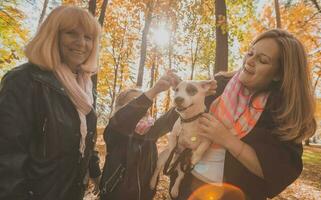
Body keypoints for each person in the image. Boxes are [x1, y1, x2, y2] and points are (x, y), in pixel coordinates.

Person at [169, 29, 316, 200]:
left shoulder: (284, 113)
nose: (250, 61)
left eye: (262, 60)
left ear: (279, 74)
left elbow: (279, 170)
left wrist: (226, 139)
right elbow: (175, 120)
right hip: (186, 190)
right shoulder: (219, 85)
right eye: (250, 53)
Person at [0, 6, 102, 200]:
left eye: (88, 37)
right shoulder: (24, 81)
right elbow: (6, 158)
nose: (81, 43)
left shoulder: (84, 88)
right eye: (71, 33)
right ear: (52, 35)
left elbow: (84, 145)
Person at [99, 71, 181, 200]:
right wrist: (153, 91)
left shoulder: (150, 132)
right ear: (122, 108)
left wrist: (179, 90)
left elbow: (173, 116)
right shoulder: (115, 130)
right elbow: (124, 119)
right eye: (134, 101)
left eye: (144, 101)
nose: (143, 105)